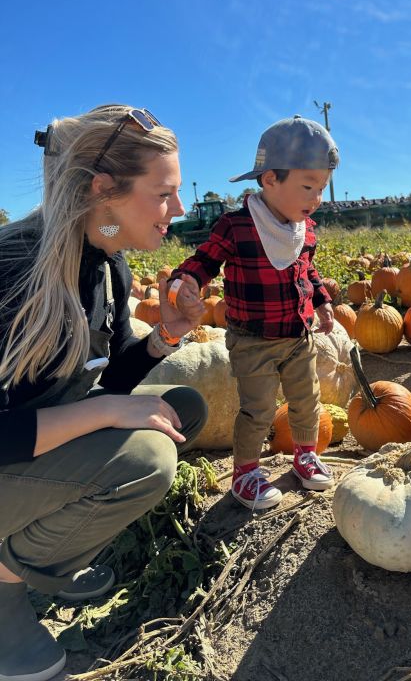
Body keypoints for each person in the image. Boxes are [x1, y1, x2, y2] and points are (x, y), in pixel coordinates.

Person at [0, 104, 209, 681]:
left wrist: (165, 336)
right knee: (144, 457)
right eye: (163, 193)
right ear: (104, 190)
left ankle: (31, 557)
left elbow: (110, 378)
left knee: (179, 411)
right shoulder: (13, 267)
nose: (181, 209)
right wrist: (108, 410)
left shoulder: (109, 266)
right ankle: (3, 594)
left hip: (21, 453)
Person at [170, 115, 339, 511]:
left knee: (307, 400)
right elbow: (204, 260)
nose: (315, 197)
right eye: (307, 186)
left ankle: (305, 454)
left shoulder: (305, 230)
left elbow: (307, 271)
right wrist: (185, 283)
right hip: (253, 339)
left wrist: (322, 301)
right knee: (258, 409)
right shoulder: (237, 226)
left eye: (321, 188)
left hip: (298, 334)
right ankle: (245, 472)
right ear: (269, 180)